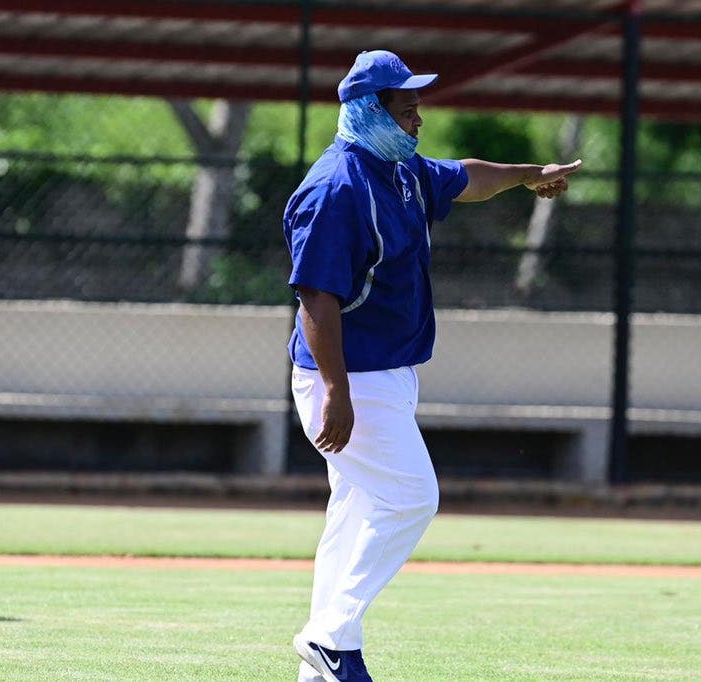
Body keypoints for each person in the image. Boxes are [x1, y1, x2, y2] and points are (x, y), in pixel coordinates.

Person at [284, 50, 581, 682]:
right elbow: (316, 295)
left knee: (356, 509)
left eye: (418, 102)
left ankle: (321, 665)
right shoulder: (336, 187)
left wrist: (531, 173)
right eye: (406, 104)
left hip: (384, 375)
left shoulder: (400, 171)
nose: (418, 114)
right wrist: (336, 389)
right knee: (414, 497)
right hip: (349, 378)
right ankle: (331, 638)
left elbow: (468, 177)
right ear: (369, 109)